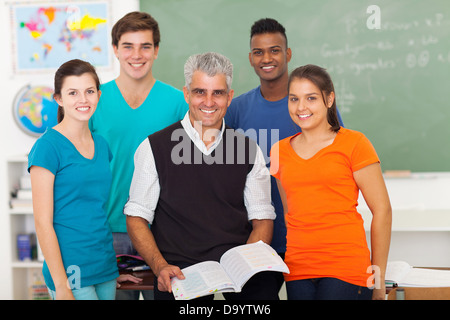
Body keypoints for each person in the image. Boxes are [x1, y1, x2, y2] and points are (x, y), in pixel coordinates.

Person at [124, 52, 278, 300]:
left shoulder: (249, 150)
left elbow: (262, 220)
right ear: (186, 94)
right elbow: (136, 218)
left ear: (229, 97)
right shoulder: (154, 147)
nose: (208, 102)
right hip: (180, 271)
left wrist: (246, 267)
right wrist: (160, 266)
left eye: (217, 93)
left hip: (236, 266)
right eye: (199, 92)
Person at [224, 18, 345, 294]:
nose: (267, 58)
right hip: (256, 239)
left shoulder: (311, 107)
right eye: (259, 52)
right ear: (251, 59)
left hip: (307, 239)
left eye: (275, 50)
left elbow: (337, 162)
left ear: (288, 54)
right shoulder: (237, 109)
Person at [270, 64, 392, 300]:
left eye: (311, 98)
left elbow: (383, 211)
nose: (301, 107)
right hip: (298, 270)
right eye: (294, 99)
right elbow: (290, 213)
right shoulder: (278, 152)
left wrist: (378, 280)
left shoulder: (355, 143)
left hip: (346, 268)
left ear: (329, 99)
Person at [89, 11, 188, 299]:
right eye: (128, 46)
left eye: (145, 46)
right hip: (109, 229)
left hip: (164, 230)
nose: (137, 54)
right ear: (116, 50)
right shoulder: (93, 100)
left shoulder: (178, 103)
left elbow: (189, 172)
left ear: (156, 51)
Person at [28, 59, 119, 300]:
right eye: (73, 92)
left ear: (98, 95)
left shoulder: (101, 144)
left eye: (89, 91)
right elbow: (42, 223)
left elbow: (96, 209)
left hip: (104, 265)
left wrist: (115, 268)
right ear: (58, 98)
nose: (83, 99)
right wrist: (61, 286)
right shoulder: (47, 147)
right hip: (70, 271)